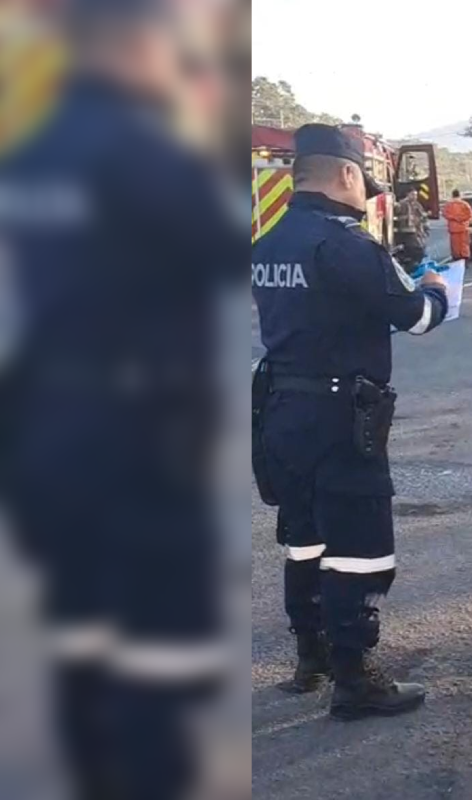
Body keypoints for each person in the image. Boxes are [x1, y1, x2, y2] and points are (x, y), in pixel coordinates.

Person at [1, 1, 241, 796]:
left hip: (45, 429)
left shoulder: (28, 155)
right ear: (139, 44)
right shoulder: (145, 156)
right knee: (155, 644)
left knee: (78, 628)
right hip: (136, 436)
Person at [252, 123, 450, 721]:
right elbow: (415, 317)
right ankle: (355, 677)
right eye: (363, 178)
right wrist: (437, 288)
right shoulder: (348, 244)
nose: (366, 190)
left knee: (304, 537)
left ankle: (309, 656)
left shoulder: (270, 243)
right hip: (341, 417)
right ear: (343, 174)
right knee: (358, 547)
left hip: (282, 414)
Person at [393, 186, 427, 268]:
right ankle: (410, 265)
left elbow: (423, 216)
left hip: (416, 231)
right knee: (416, 249)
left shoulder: (417, 205)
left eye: (416, 195)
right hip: (405, 232)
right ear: (408, 194)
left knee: (420, 248)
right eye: (413, 194)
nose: (415, 197)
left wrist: (424, 229)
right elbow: (395, 211)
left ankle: (412, 264)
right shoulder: (402, 204)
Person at [442, 188, 472, 266]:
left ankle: (457, 261)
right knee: (464, 245)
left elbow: (445, 214)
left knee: (455, 246)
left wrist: (454, 218)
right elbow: (470, 215)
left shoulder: (449, 205)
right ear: (460, 195)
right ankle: (465, 261)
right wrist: (462, 219)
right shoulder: (464, 204)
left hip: (453, 229)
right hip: (463, 228)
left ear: (452, 195)